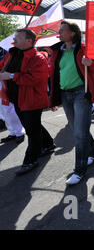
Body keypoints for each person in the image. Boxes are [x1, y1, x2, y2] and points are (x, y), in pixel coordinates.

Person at [50, 21, 94, 185]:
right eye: (60, 31)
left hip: (81, 94)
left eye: (63, 30)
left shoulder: (85, 49)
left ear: (73, 33)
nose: (59, 33)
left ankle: (80, 170)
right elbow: (55, 74)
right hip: (65, 95)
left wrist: (91, 63)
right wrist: (53, 97)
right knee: (78, 129)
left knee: (79, 133)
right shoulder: (57, 51)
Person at [0, 29, 54, 175]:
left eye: (17, 37)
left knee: (32, 130)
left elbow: (34, 79)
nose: (14, 40)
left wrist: (11, 76)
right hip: (16, 99)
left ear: (28, 41)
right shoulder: (12, 54)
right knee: (32, 125)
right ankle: (48, 144)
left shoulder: (38, 58)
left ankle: (30, 160)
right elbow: (1, 68)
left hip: (32, 100)